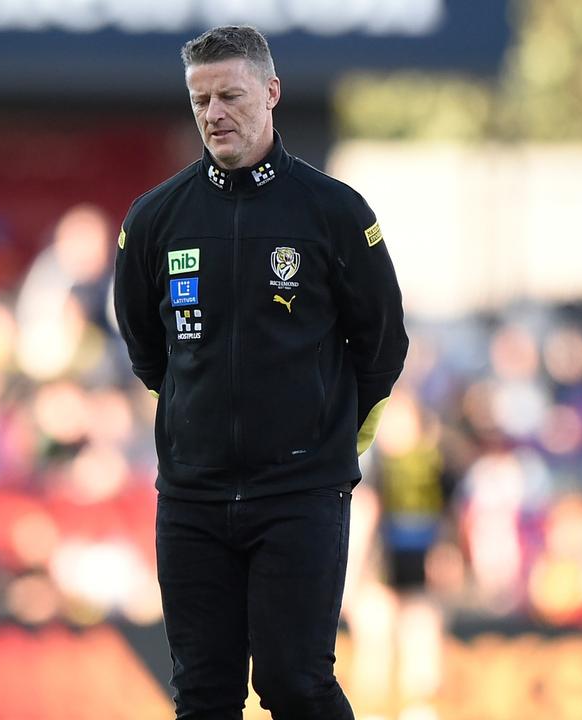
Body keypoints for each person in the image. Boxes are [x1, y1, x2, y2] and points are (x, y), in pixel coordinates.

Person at [113, 25, 408, 720]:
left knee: (294, 683)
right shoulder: (155, 218)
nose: (215, 113)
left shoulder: (334, 211)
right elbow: (148, 351)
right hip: (192, 496)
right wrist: (201, 420)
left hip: (301, 492)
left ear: (271, 93)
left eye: (231, 95)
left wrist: (326, 435)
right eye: (201, 99)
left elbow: (382, 342)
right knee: (203, 695)